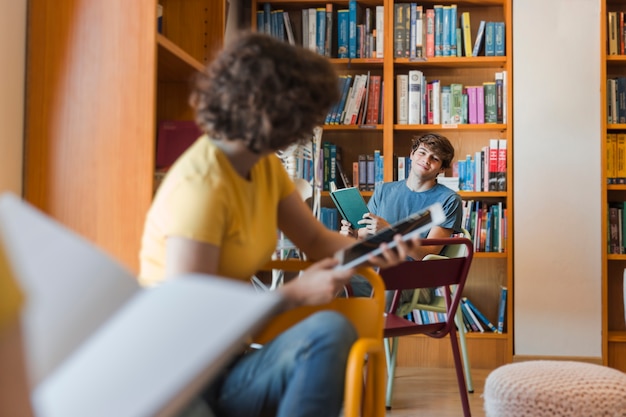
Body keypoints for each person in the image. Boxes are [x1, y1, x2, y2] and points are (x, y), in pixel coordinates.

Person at [139, 31, 423, 417]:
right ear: (271, 110)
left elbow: (316, 239)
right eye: (306, 114)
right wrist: (295, 294)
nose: (309, 126)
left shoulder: (264, 167)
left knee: (330, 331)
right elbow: (194, 316)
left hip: (228, 362)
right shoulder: (201, 185)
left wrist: (378, 248)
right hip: (176, 378)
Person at [341, 133, 463, 298]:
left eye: (434, 158)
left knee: (386, 286)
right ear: (412, 155)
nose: (426, 160)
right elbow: (365, 234)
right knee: (330, 280)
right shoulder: (383, 190)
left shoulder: (448, 200)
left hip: (416, 280)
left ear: (441, 169)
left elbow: (425, 255)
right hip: (374, 269)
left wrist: (390, 232)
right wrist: (353, 235)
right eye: (422, 152)